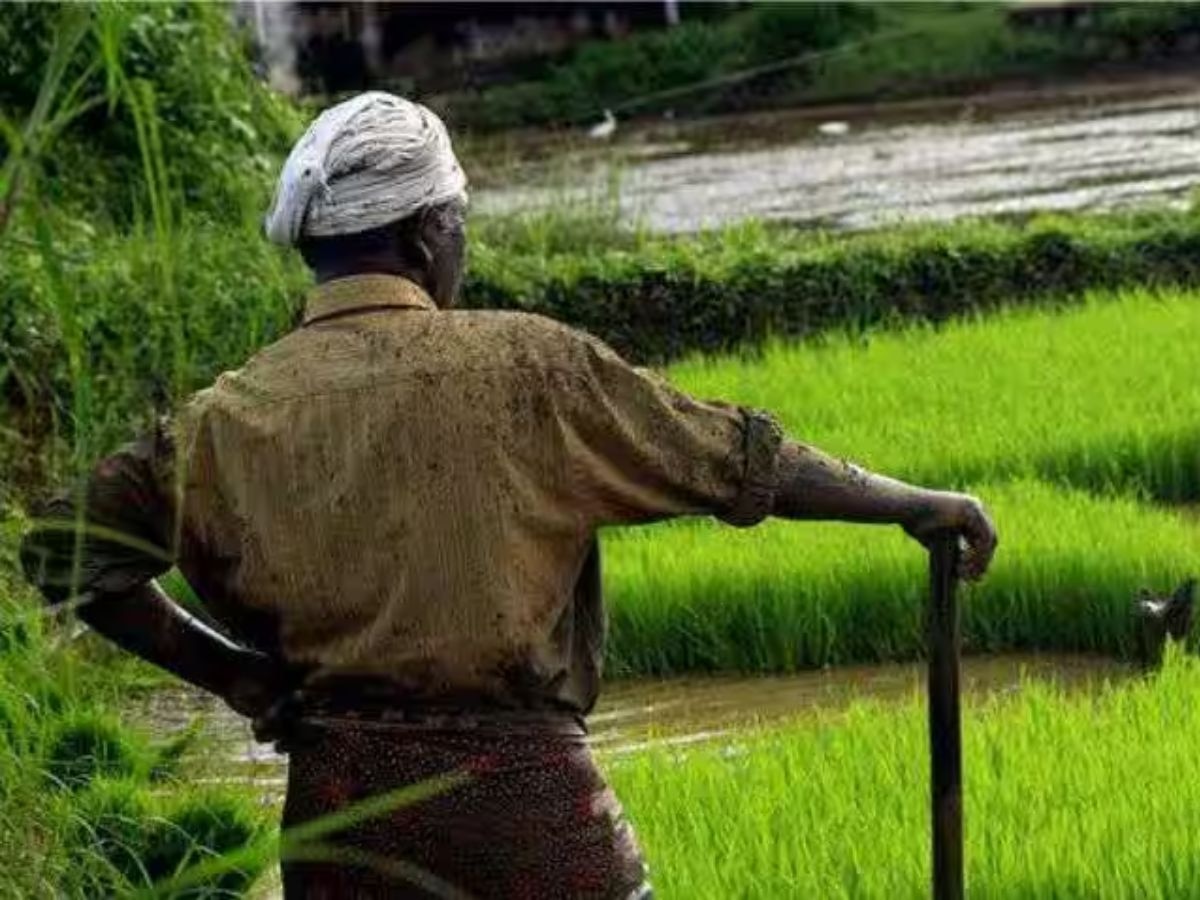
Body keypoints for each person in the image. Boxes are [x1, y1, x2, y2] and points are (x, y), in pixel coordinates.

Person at [20, 92, 997, 899]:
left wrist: (234, 674)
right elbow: (741, 460)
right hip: (525, 808)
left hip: (339, 822)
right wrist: (916, 503)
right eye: (459, 224)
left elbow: (62, 549)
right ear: (428, 232)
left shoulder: (222, 419)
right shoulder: (528, 366)